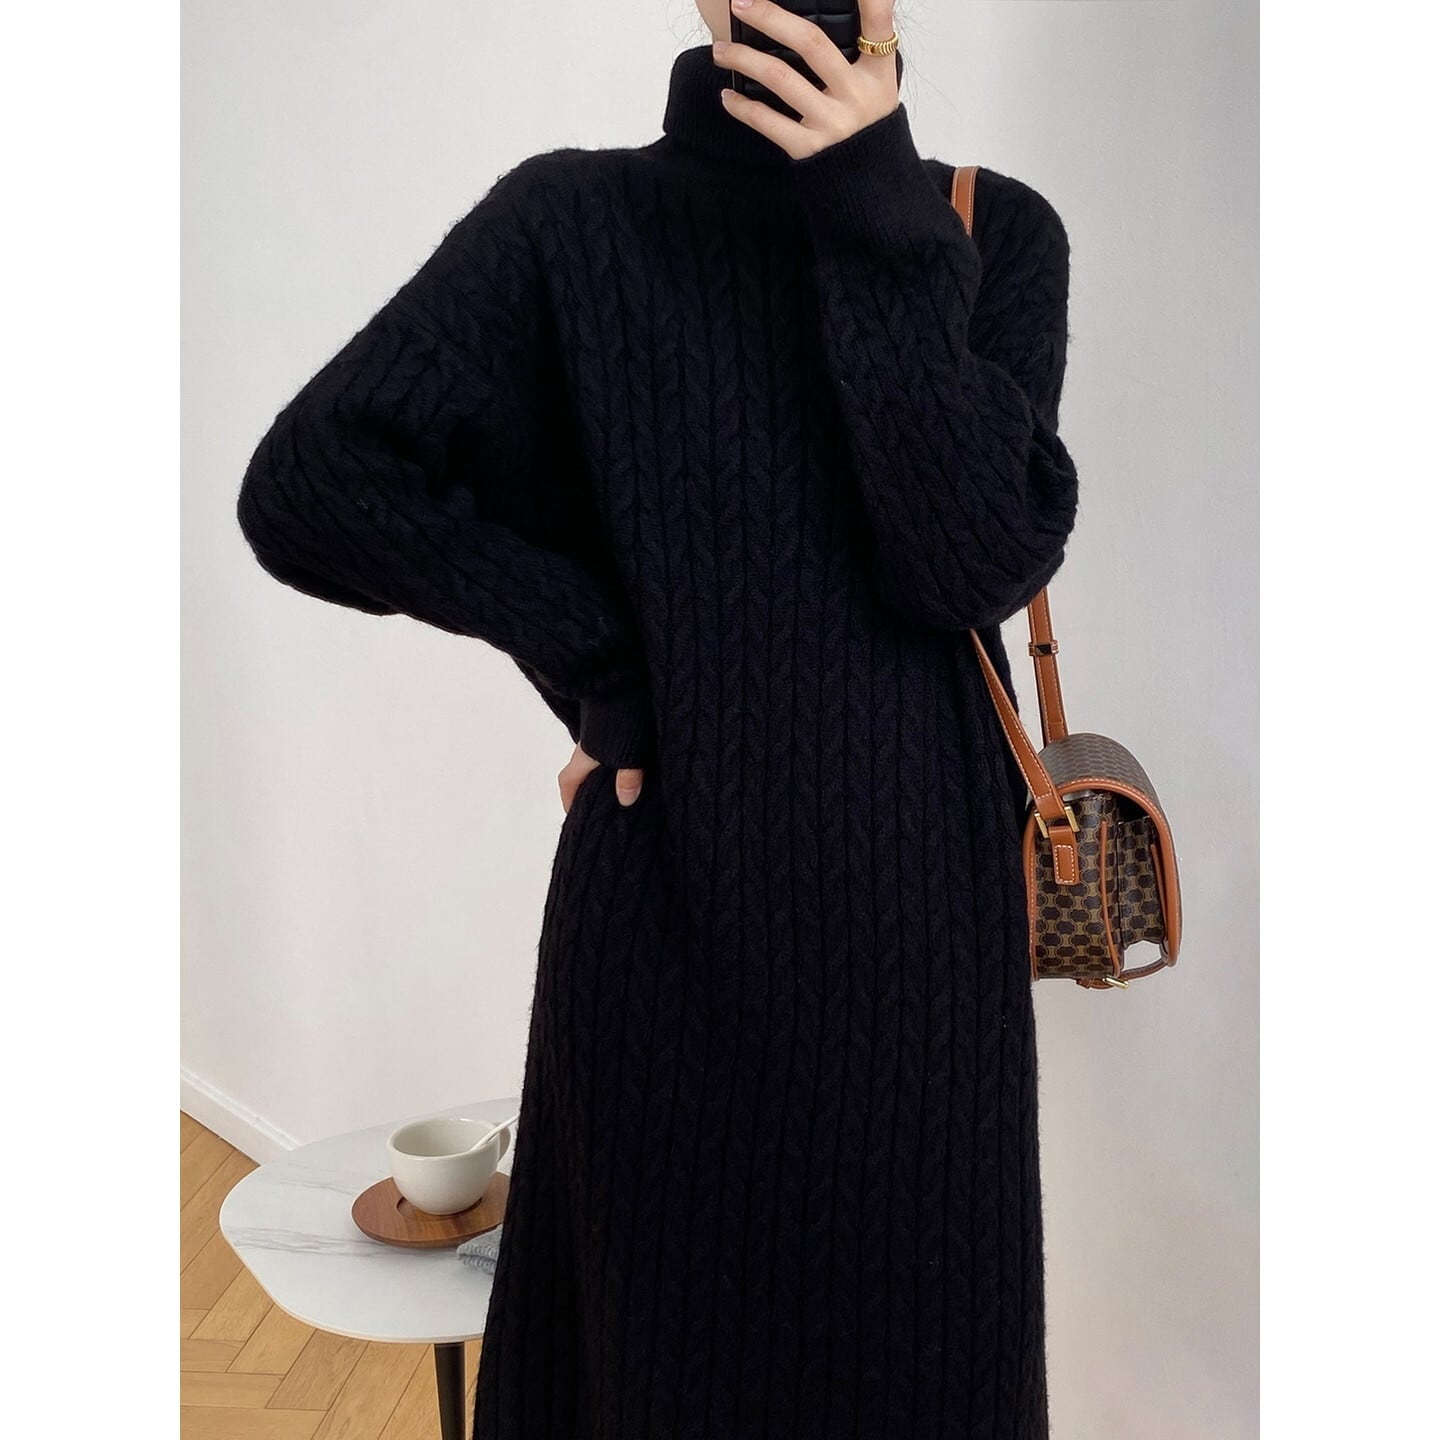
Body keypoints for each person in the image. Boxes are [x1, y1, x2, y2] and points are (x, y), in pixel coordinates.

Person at [235, 1, 1078, 1435]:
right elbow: (314, 483)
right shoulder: (570, 223)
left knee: (923, 1371)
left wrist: (870, 201)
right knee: (654, 1367)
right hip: (671, 910)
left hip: (924, 949)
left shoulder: (985, 230)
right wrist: (607, 663)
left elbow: (970, 564)